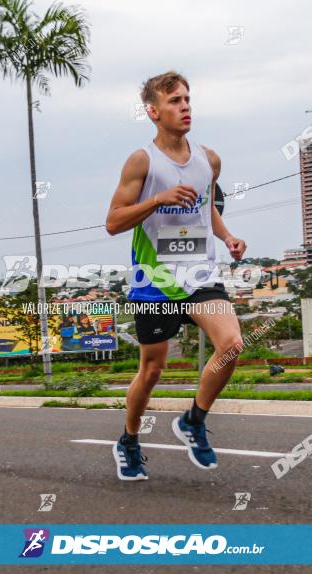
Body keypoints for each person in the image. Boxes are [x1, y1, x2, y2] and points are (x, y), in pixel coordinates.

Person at [105, 71, 246, 481]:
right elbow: (113, 222)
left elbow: (207, 206)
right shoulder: (142, 161)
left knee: (232, 343)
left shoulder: (209, 160)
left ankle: (193, 420)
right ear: (153, 111)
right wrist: (158, 199)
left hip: (200, 274)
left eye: (187, 99)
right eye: (174, 101)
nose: (185, 107)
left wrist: (228, 235)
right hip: (154, 280)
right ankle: (129, 440)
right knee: (151, 371)